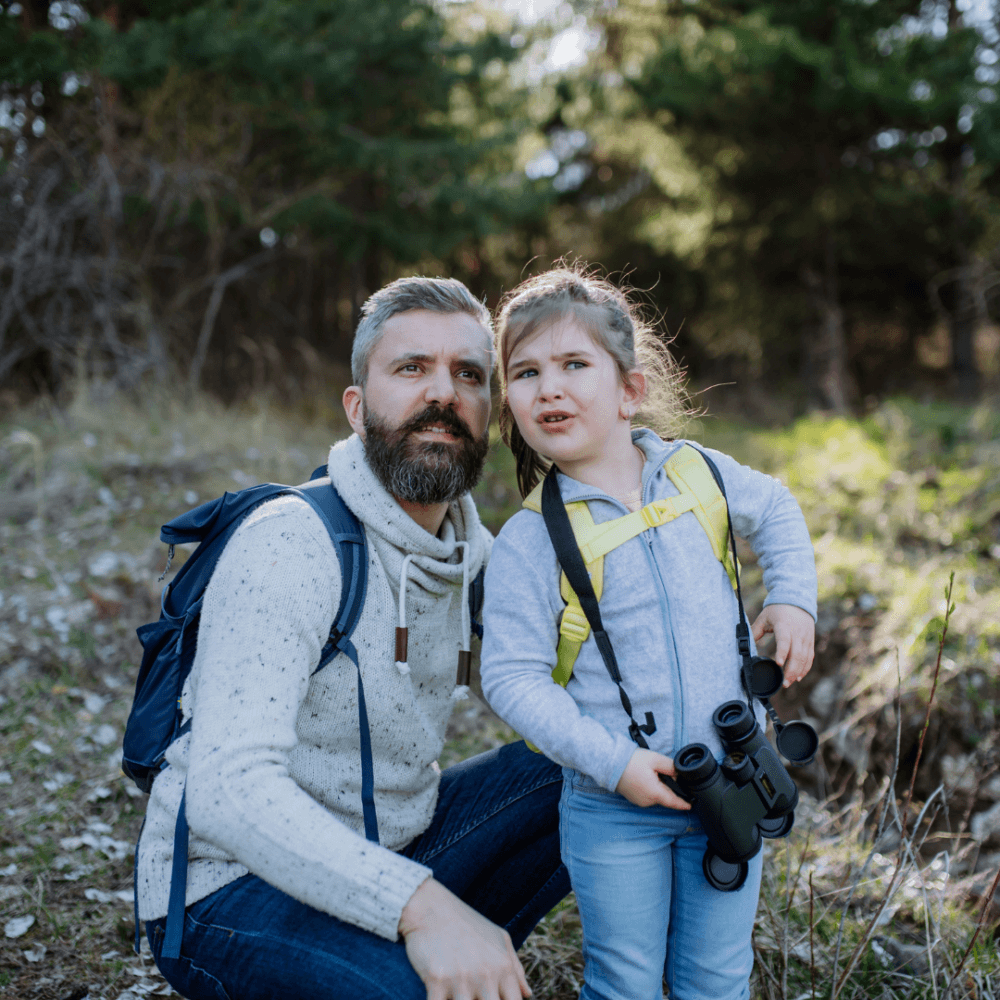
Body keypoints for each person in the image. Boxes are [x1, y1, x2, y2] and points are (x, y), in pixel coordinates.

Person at [136, 276, 570, 1000]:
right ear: (356, 405)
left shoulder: (475, 555)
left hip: (394, 852)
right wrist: (422, 907)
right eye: (411, 369)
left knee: (586, 766)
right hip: (228, 891)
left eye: (469, 374)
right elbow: (227, 791)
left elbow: (582, 679)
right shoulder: (290, 543)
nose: (444, 394)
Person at [479, 267, 817, 1000]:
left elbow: (780, 508)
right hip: (613, 811)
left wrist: (793, 601)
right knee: (625, 982)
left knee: (716, 979)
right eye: (526, 372)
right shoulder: (531, 539)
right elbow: (510, 675)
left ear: (630, 390)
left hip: (736, 780)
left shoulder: (698, 474)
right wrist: (612, 763)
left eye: (574, 365)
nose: (550, 388)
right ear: (509, 400)